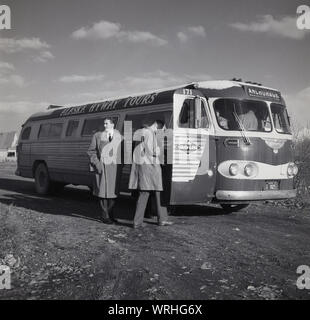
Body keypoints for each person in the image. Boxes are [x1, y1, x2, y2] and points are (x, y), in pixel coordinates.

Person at [129, 119, 173, 228]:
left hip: (143, 168)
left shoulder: (140, 132)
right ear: (158, 124)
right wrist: (160, 149)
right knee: (157, 193)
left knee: (144, 194)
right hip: (151, 168)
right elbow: (153, 151)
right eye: (162, 129)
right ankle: (161, 219)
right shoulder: (149, 133)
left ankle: (137, 222)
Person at [87, 118, 122, 224]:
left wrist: (122, 165)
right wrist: (97, 164)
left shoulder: (119, 136)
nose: (105, 125)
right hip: (102, 167)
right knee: (102, 193)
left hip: (115, 169)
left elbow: (125, 150)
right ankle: (104, 216)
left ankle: (110, 214)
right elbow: (91, 151)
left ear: (112, 124)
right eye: (104, 123)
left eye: (107, 123)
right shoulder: (97, 136)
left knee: (113, 193)